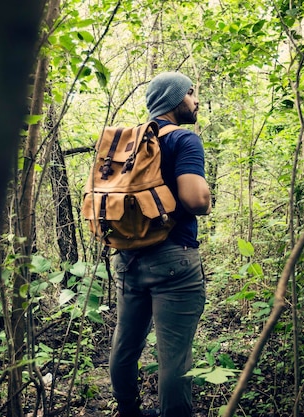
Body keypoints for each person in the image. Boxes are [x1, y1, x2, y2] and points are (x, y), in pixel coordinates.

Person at [109, 71, 212, 417]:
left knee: (125, 346)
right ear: (174, 100)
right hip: (173, 261)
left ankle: (128, 411)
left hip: (127, 259)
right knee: (175, 356)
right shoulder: (183, 140)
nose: (195, 100)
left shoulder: (130, 142)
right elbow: (195, 200)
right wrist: (207, 198)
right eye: (190, 93)